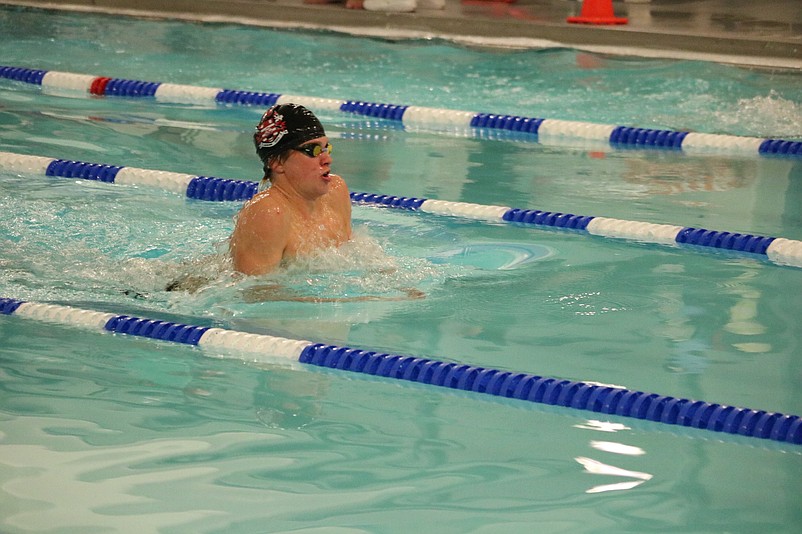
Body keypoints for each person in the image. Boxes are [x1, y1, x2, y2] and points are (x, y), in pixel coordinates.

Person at [229, 104, 352, 276]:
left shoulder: (335, 192)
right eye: (313, 150)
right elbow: (255, 294)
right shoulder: (269, 213)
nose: (327, 159)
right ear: (277, 162)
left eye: (326, 148)